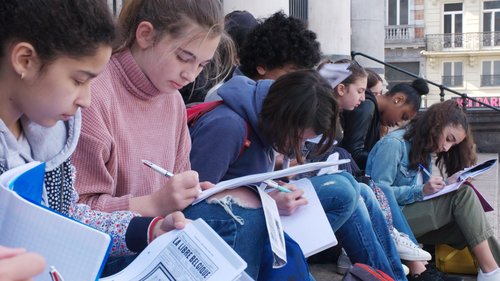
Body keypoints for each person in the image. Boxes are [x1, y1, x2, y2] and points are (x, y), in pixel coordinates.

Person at [72, 0, 266, 278]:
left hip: (161, 236)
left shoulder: (173, 102)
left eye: (202, 65)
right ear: (146, 35)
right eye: (184, 57)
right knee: (234, 222)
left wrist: (195, 192)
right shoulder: (92, 94)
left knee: (248, 210)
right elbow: (74, 213)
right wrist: (156, 203)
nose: (191, 74)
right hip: (108, 251)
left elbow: (177, 182)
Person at [0, 0, 189, 276]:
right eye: (78, 80)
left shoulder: (55, 140)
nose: (86, 100)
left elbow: (66, 218)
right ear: (25, 60)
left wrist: (145, 229)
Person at [190, 70, 408, 280]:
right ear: (285, 118)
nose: (299, 146)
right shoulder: (227, 127)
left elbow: (241, 177)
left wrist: (274, 187)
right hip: (234, 237)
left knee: (353, 187)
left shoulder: (260, 122)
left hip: (256, 222)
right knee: (343, 190)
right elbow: (193, 204)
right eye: (299, 138)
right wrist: (264, 201)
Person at [318, 61, 465, 281]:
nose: (400, 122)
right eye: (404, 116)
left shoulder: (367, 114)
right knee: (374, 189)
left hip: (341, 179)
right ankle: (416, 267)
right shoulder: (368, 108)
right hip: (336, 182)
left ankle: (410, 266)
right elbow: (352, 150)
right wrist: (383, 156)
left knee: (371, 190)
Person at [366, 100, 500, 281]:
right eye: (449, 139)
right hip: (391, 223)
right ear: (436, 125)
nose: (446, 147)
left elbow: (424, 192)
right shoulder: (394, 144)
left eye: (453, 144)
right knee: (464, 196)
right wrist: (421, 190)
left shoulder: (423, 148)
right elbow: (378, 195)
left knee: (469, 223)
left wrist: (446, 184)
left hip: (410, 217)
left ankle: (494, 268)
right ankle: (491, 272)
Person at [340, 78, 429, 170]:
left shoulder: (375, 114)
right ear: (398, 99)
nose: (399, 123)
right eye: (403, 116)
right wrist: (389, 158)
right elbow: (352, 154)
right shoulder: (367, 106)